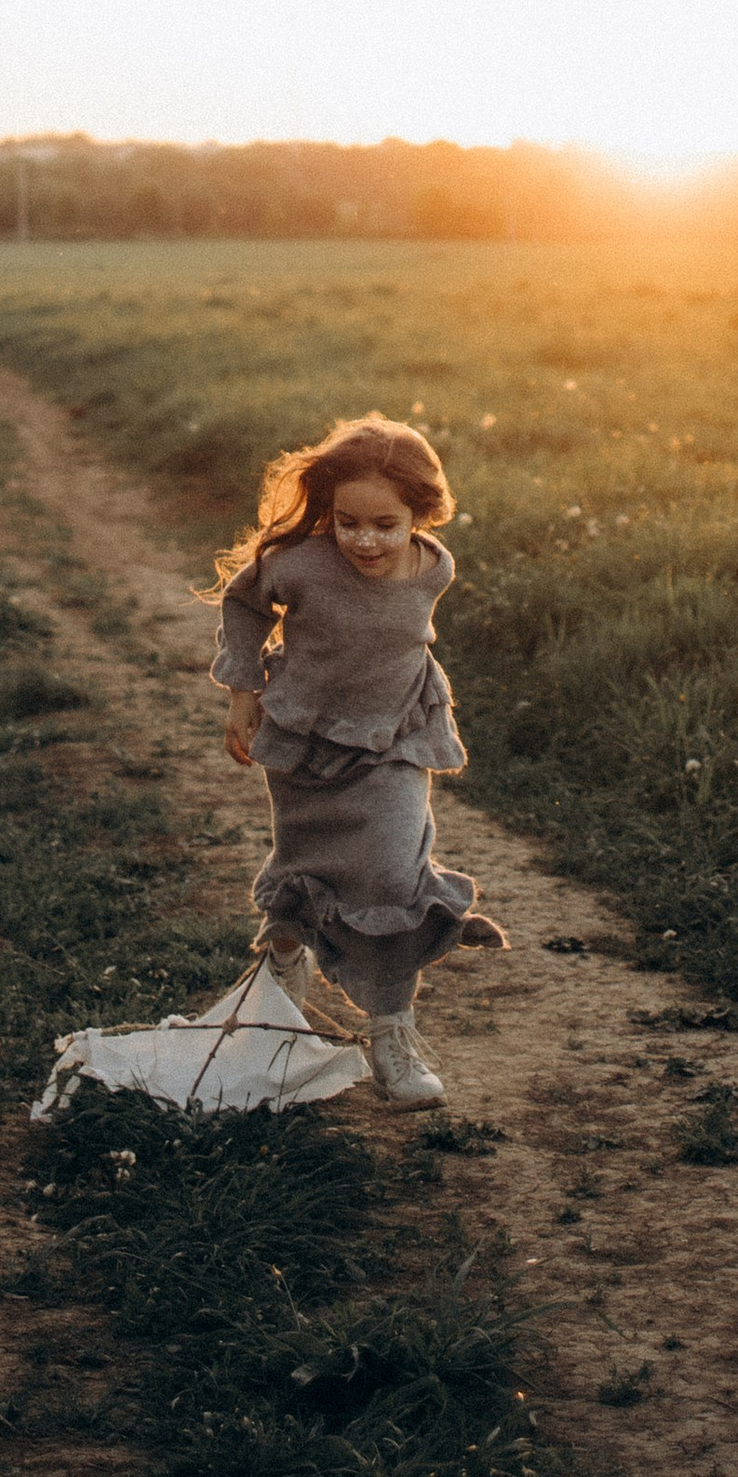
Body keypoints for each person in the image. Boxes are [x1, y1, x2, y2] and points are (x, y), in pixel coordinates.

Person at [209, 411, 505, 1107]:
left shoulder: (435, 568)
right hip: (306, 744)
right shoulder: (299, 564)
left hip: (397, 740)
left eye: (385, 524)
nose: (364, 540)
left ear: (419, 515)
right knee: (309, 871)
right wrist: (243, 693)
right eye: (348, 522)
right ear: (329, 513)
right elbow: (244, 603)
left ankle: (391, 1040)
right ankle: (285, 963)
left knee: (392, 881)